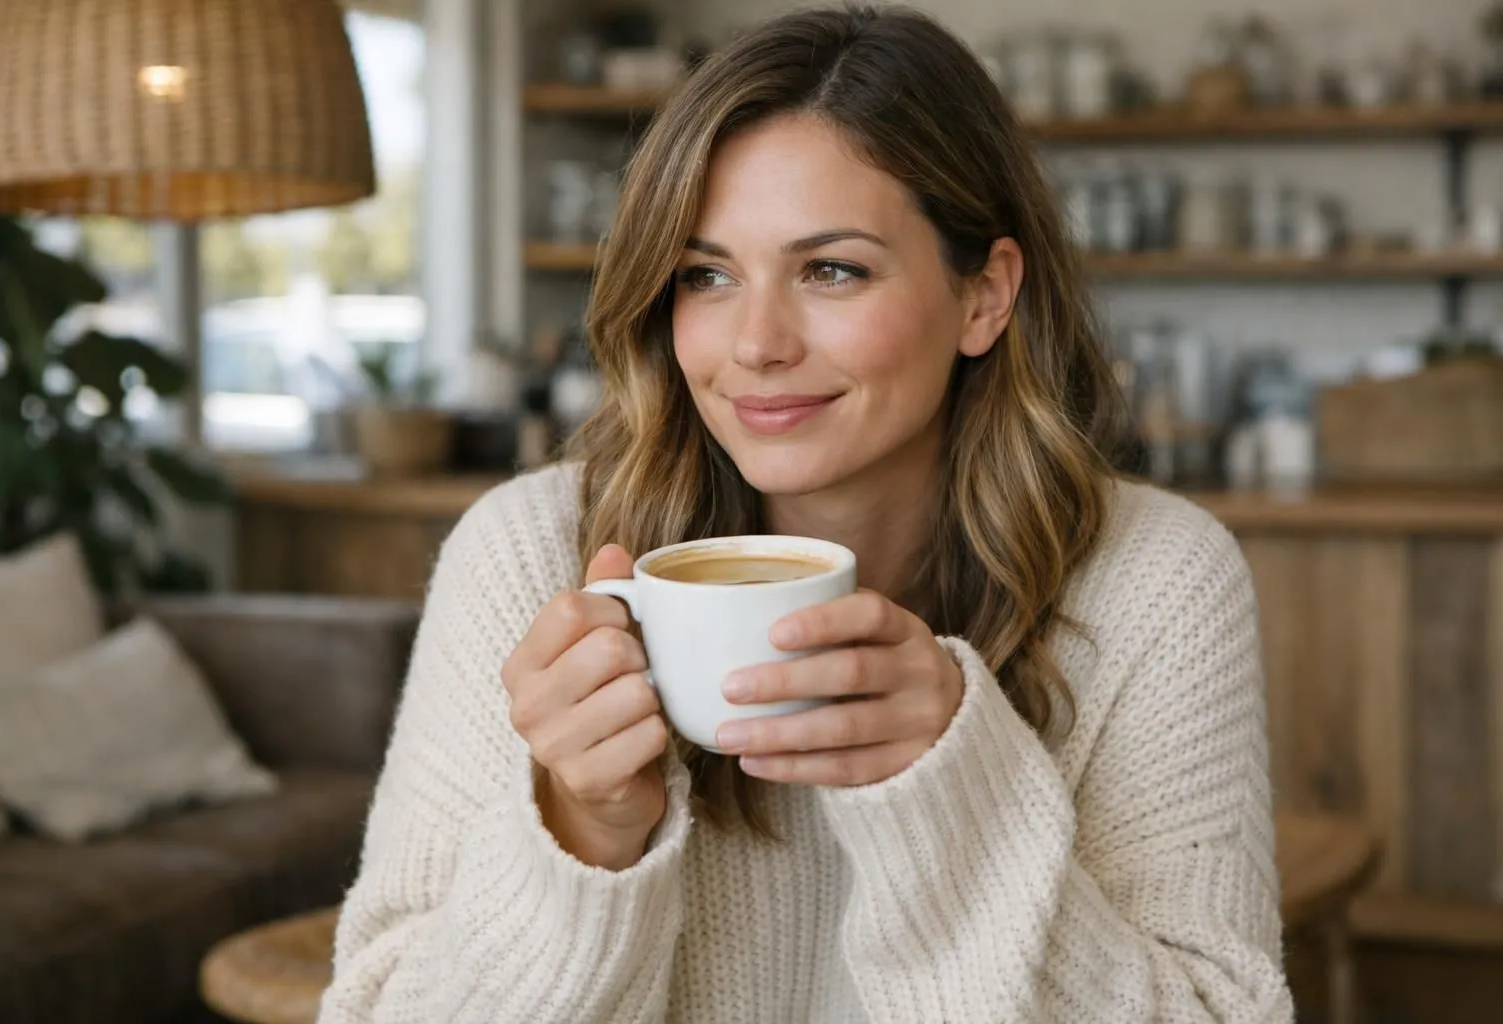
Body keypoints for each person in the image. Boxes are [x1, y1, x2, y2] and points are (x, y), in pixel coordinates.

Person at [319, 6, 1292, 1022]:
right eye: (707, 275)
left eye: (832, 268)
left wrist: (955, 798)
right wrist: (579, 831)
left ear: (984, 296)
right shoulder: (529, 558)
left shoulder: (1155, 579)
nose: (757, 343)